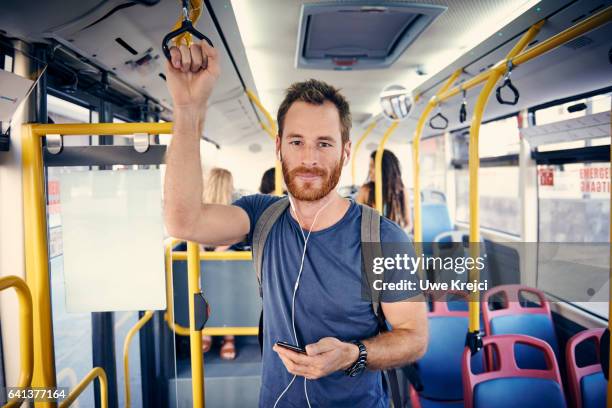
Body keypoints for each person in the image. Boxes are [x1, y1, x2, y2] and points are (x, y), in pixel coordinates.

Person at [164, 41, 427, 407]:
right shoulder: (261, 217)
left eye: (324, 143)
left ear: (345, 151)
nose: (308, 158)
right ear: (279, 147)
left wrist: (353, 354)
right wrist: (188, 108)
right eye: (297, 141)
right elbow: (183, 220)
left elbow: (414, 337)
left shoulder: (384, 238)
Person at [200, 167, 237, 360]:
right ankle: (214, 334)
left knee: (225, 291)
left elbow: (236, 235)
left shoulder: (234, 209)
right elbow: (194, 235)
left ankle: (227, 336)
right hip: (205, 257)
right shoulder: (199, 208)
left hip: (223, 258)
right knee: (204, 291)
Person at [356, 150, 412, 231]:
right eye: (370, 166)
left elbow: (408, 224)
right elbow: (356, 222)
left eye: (373, 166)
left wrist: (398, 235)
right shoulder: (365, 191)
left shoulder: (402, 191)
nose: (370, 171)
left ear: (385, 168)